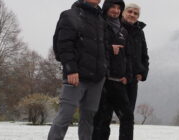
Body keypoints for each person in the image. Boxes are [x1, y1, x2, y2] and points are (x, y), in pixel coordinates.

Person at [48, 0, 106, 139]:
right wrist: (71, 69)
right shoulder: (70, 15)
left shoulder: (101, 20)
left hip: (97, 79)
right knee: (65, 116)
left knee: (88, 119)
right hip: (75, 76)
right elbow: (63, 45)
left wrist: (105, 68)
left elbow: (104, 47)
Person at [92, 0, 135, 139]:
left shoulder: (123, 30)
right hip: (102, 80)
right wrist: (110, 48)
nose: (116, 11)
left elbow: (127, 55)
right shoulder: (99, 24)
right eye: (113, 7)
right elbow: (92, 48)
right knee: (102, 119)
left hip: (118, 81)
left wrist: (127, 75)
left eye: (118, 8)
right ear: (106, 7)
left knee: (127, 116)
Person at [121, 3, 149, 111]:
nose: (132, 15)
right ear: (123, 13)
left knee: (128, 114)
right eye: (130, 11)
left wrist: (143, 73)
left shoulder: (140, 32)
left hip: (132, 79)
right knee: (105, 115)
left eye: (136, 13)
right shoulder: (115, 27)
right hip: (115, 78)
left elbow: (144, 55)